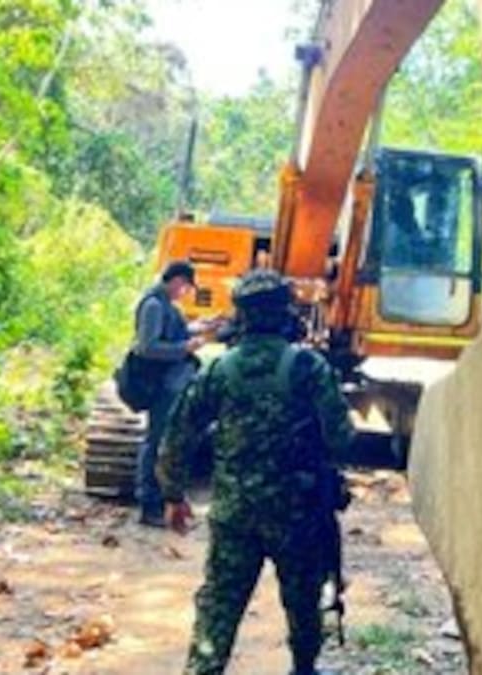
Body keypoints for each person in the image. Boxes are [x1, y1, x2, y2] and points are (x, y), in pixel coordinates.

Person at [157, 269, 354, 675]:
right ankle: (304, 669)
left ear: (241, 316)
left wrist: (173, 496)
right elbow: (341, 439)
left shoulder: (218, 370)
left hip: (235, 515)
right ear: (286, 312)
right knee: (303, 600)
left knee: (220, 605)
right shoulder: (309, 368)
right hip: (297, 513)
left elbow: (177, 436)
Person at [132, 260, 206, 527]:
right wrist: (185, 348)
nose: (184, 292)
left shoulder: (166, 306)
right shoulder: (153, 305)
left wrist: (198, 329)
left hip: (170, 384)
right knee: (156, 442)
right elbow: (147, 347)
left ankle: (161, 503)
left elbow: (171, 333)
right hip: (160, 385)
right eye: (185, 287)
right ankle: (149, 504)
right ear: (176, 281)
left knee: (165, 440)